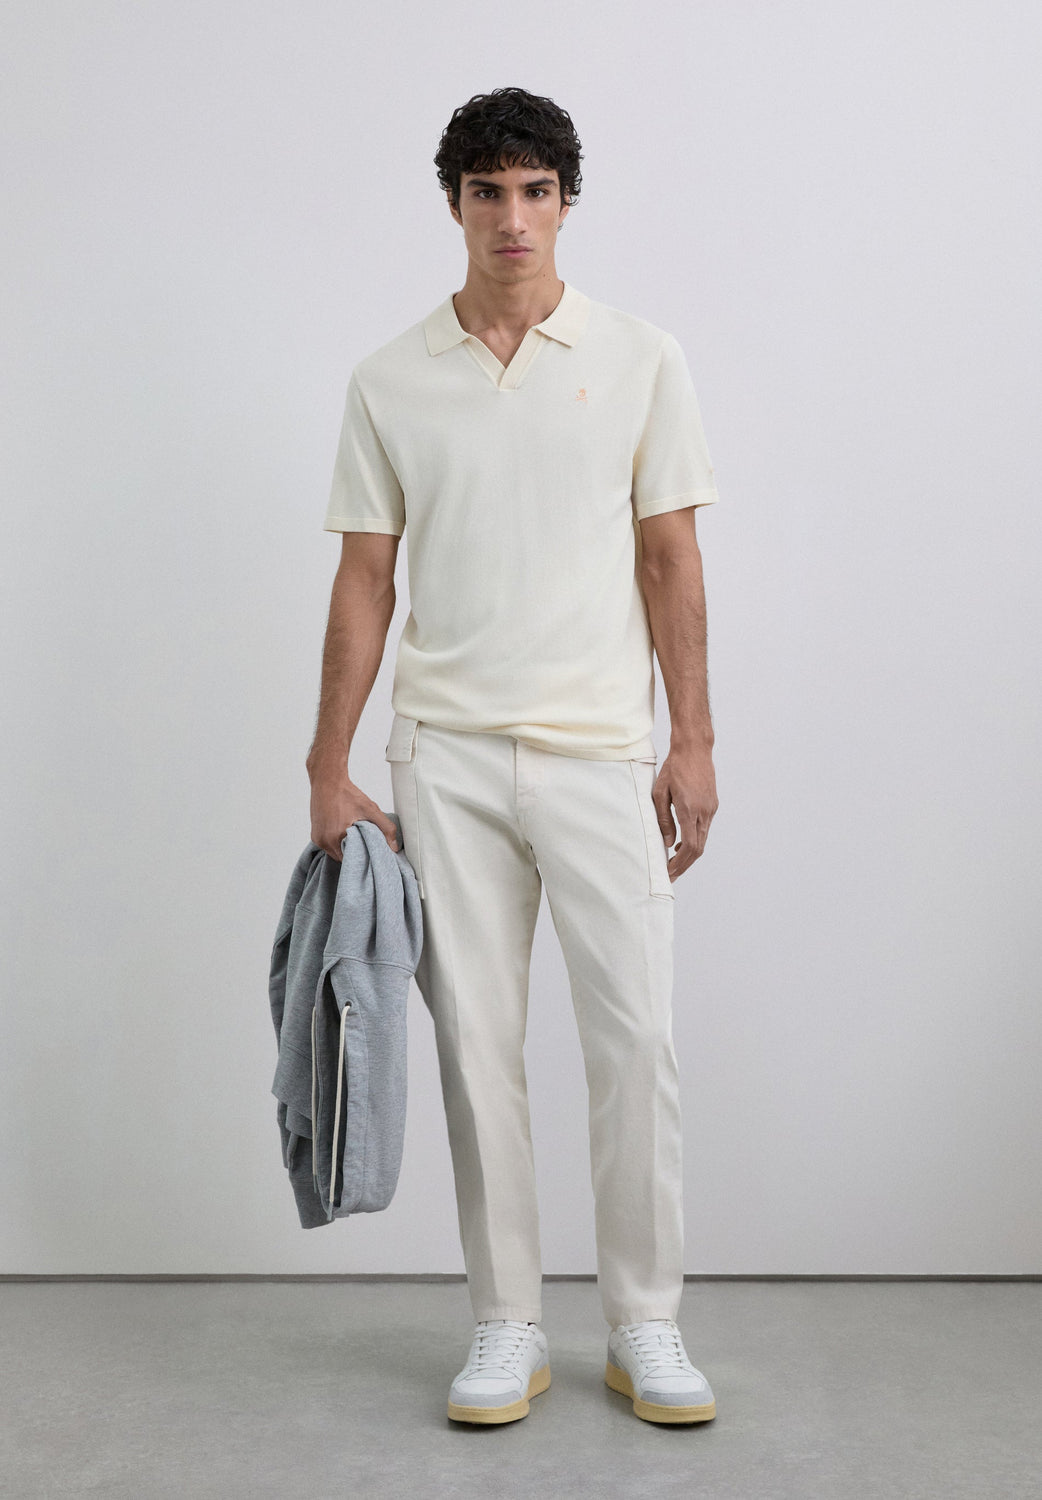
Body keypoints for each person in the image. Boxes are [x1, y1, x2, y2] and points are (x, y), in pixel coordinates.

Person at [306, 85, 721, 1427]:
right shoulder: (389, 379)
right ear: (454, 204)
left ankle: (646, 1323)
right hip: (448, 756)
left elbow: (671, 557)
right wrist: (327, 764)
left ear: (565, 202)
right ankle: (506, 1322)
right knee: (477, 1049)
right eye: (487, 191)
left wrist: (694, 739)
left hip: (601, 752)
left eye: (535, 190)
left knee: (635, 1041)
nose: (512, 217)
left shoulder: (642, 357)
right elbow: (365, 581)